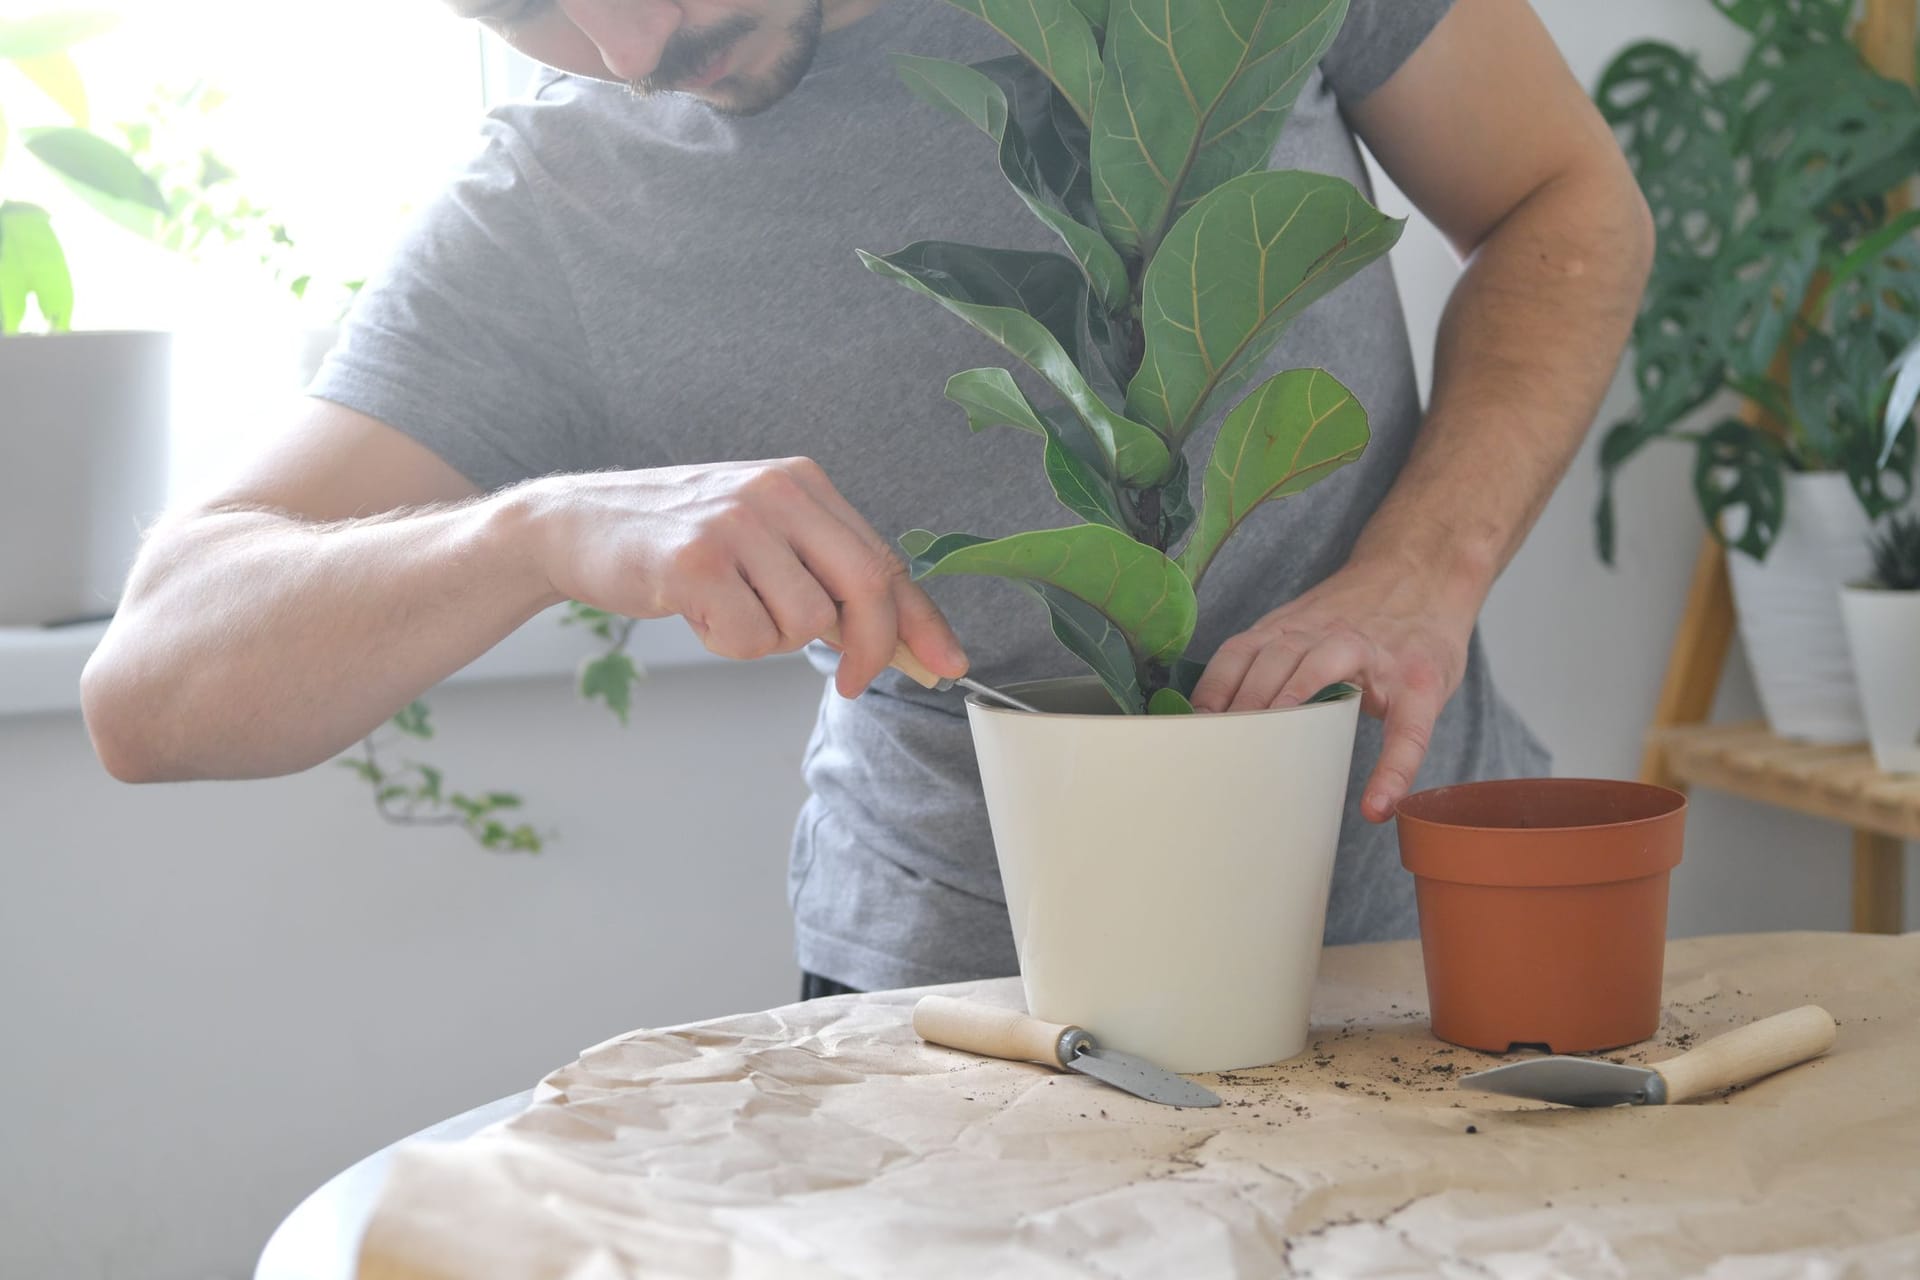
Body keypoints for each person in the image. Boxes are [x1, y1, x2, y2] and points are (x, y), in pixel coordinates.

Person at [81, 0, 1653, 999]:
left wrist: (1421, 570)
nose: (628, 48)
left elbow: (1560, 200)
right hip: (954, 1018)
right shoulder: (556, 210)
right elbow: (153, 690)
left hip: (1439, 922)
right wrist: (540, 529)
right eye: (524, 10)